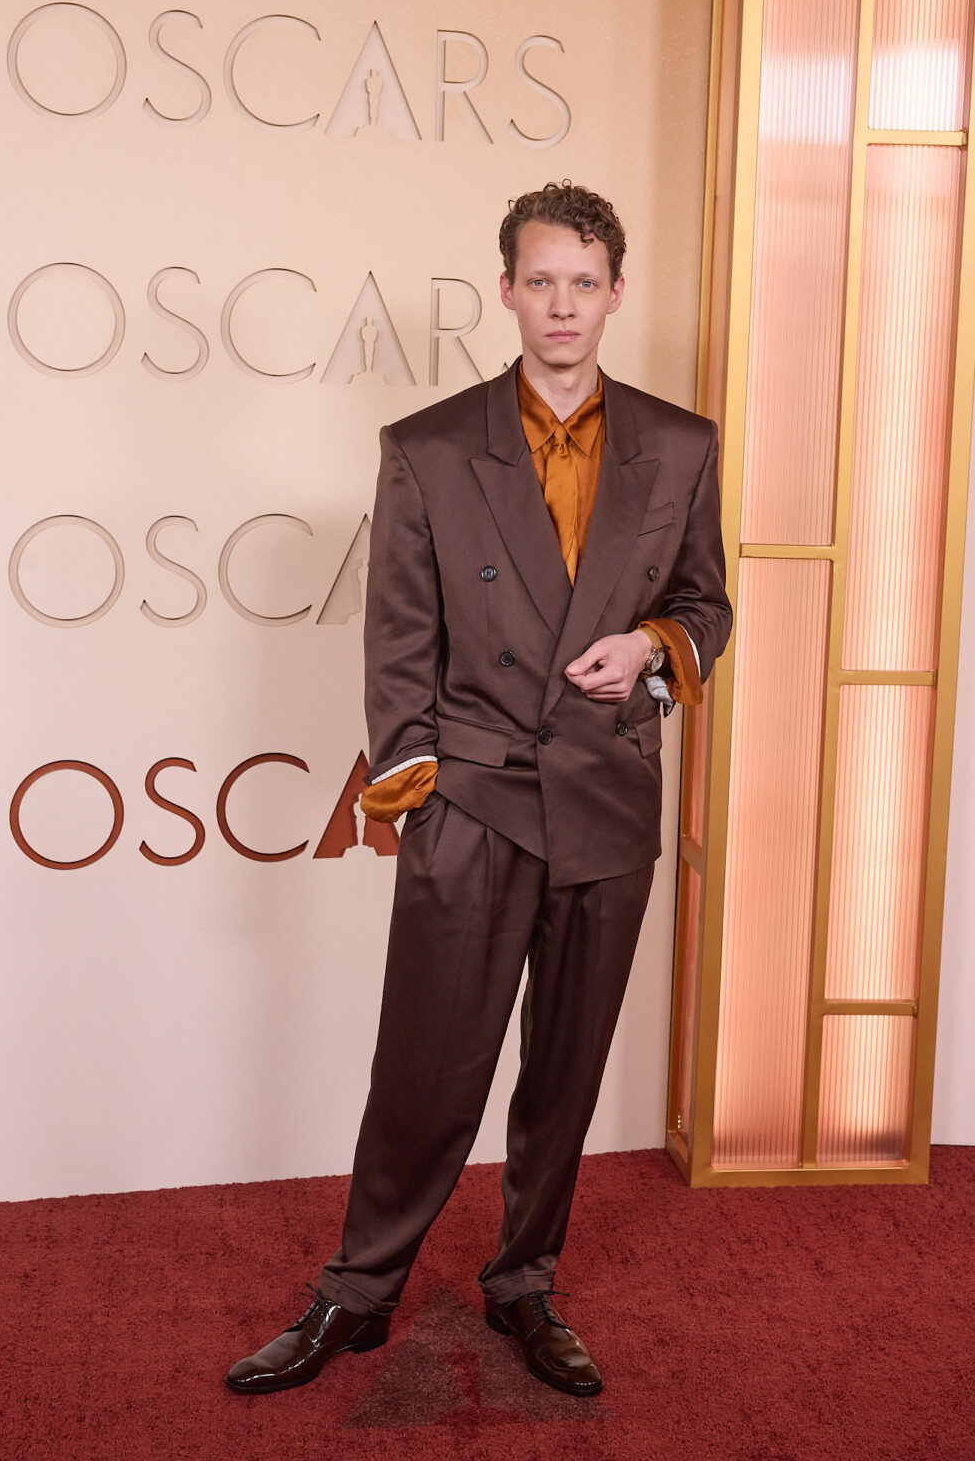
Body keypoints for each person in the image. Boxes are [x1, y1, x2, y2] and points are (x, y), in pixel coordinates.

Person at [225, 181, 731, 1399]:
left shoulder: (681, 442)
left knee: (564, 1069)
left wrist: (653, 649)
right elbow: (396, 647)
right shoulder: (429, 445)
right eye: (539, 280)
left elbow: (705, 600)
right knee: (427, 1066)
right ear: (505, 290)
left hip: (608, 804)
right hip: (476, 802)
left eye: (584, 282)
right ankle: (355, 1293)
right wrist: (419, 802)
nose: (562, 304)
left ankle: (524, 1286)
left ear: (616, 291)